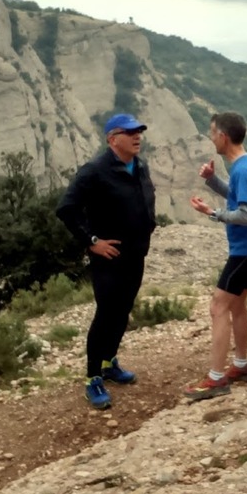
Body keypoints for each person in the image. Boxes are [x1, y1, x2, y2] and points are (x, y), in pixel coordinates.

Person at [56, 113, 156, 410]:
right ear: (112, 139)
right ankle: (93, 378)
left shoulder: (140, 166)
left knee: (123, 311)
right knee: (106, 314)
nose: (137, 136)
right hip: (108, 259)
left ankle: (109, 362)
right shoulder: (95, 171)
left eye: (139, 131)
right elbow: (66, 209)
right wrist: (92, 241)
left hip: (136, 254)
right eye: (130, 132)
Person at [183, 112, 247, 401]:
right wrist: (212, 180)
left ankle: (216, 378)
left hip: (246, 248)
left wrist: (213, 213)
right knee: (237, 304)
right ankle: (241, 365)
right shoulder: (244, 165)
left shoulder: (242, 170)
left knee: (218, 306)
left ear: (223, 136)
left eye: (213, 133)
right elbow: (238, 196)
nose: (211, 138)